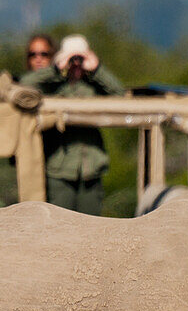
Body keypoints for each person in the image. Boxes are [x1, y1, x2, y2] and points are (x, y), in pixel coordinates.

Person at [18, 34, 125, 215]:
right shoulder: (52, 86)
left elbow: (120, 96)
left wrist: (97, 69)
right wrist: (55, 69)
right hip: (59, 169)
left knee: (91, 226)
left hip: (91, 169)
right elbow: (24, 84)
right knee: (60, 225)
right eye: (72, 59)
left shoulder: (94, 87)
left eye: (80, 59)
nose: (76, 64)